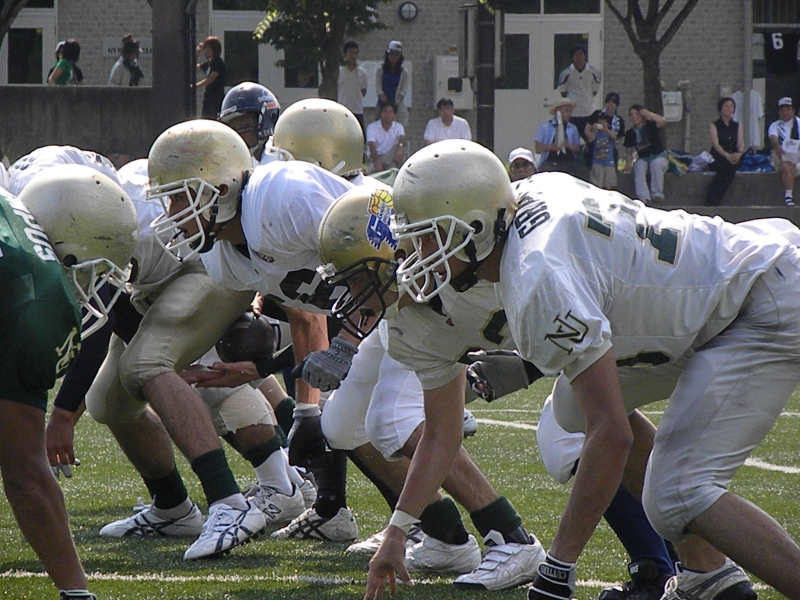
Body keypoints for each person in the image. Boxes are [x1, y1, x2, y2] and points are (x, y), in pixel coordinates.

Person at [369, 139, 800, 600]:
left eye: (429, 236)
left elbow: (612, 435)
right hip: (706, 302)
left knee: (675, 494)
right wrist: (398, 528)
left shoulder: (533, 273)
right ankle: (708, 575)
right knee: (571, 410)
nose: (415, 253)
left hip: (757, 301)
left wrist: (557, 567)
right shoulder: (524, 206)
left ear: (475, 228)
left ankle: (713, 572)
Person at [315, 186, 678, 596]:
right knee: (579, 421)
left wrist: (526, 367)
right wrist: (397, 530)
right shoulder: (432, 297)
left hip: (672, 317)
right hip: (633, 323)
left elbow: (567, 309)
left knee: (570, 429)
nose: (352, 295)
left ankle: (665, 566)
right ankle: (676, 567)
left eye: (358, 279)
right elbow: (442, 431)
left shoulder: (520, 254)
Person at [1, 164, 138, 600]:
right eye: (96, 273)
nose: (94, 289)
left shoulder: (12, 208)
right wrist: (77, 591)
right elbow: (26, 475)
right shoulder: (39, 300)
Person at [219, 82, 282, 165]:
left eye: (245, 125)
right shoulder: (234, 162)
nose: (239, 134)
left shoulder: (279, 160)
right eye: (233, 128)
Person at [624, 104, 668, 203]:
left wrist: (648, 114)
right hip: (643, 158)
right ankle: (643, 197)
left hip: (659, 157)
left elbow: (662, 121)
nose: (634, 117)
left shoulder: (650, 125)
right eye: (631, 115)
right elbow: (628, 151)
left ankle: (657, 194)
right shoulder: (630, 133)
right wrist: (628, 164)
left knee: (655, 164)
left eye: (636, 114)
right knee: (638, 166)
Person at [704, 97, 744, 207]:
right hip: (719, 156)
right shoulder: (714, 125)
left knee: (731, 168)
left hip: (734, 155)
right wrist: (727, 156)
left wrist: (739, 153)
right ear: (720, 109)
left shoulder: (737, 125)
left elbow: (740, 142)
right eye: (726, 106)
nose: (728, 108)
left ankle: (712, 195)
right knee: (726, 169)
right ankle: (713, 198)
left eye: (731, 106)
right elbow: (716, 144)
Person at [557, 43, 601, 138]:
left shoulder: (593, 72)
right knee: (571, 140)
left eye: (581, 54)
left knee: (590, 140)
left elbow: (595, 90)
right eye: (576, 54)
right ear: (572, 57)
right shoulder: (566, 73)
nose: (578, 56)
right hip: (573, 114)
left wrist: (585, 97)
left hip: (589, 112)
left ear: (585, 56)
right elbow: (563, 91)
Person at [534, 98, 586, 178]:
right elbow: (537, 147)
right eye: (566, 111)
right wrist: (551, 147)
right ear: (557, 112)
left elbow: (578, 149)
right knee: (545, 173)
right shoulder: (545, 126)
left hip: (569, 161)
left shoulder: (573, 128)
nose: (569, 114)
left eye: (570, 111)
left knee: (583, 173)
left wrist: (568, 145)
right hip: (550, 161)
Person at [768, 96, 800, 206]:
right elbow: (773, 138)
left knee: (789, 164)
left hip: (797, 156)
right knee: (786, 164)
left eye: (788, 109)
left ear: (793, 110)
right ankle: (788, 195)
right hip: (781, 157)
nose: (785, 112)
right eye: (783, 110)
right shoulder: (775, 125)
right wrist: (778, 146)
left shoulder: (799, 124)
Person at [375, 41, 409, 127]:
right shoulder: (380, 70)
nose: (394, 57)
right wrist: (386, 103)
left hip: (398, 106)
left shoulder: (404, 72)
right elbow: (378, 88)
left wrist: (396, 103)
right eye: (392, 54)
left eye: (397, 54)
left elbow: (404, 90)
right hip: (382, 104)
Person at [338, 41, 368, 137]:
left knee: (359, 137)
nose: (353, 56)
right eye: (350, 53)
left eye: (356, 53)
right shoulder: (339, 71)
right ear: (344, 54)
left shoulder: (362, 72)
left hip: (358, 110)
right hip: (342, 110)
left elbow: (364, 91)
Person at [366, 101, 406, 173]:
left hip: (391, 157)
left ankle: (388, 169)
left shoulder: (398, 126)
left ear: (395, 115)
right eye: (385, 111)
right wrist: (377, 162)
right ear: (380, 113)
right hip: (376, 156)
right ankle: (388, 169)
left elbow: (402, 137)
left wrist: (400, 146)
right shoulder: (372, 127)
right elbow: (371, 145)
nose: (387, 114)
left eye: (390, 112)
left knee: (399, 147)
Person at [196, 36, 226, 119]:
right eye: (205, 48)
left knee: (213, 119)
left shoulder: (218, 62)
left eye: (209, 48)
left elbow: (210, 79)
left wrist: (195, 86)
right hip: (208, 98)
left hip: (216, 99)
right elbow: (194, 68)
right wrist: (197, 52)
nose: (206, 51)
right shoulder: (209, 63)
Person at [585, 113, 618, 189]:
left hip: (609, 162)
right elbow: (591, 139)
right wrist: (593, 129)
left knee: (608, 184)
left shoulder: (609, 134)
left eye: (604, 123)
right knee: (597, 184)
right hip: (597, 161)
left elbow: (614, 137)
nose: (602, 125)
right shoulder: (596, 133)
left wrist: (607, 130)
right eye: (600, 123)